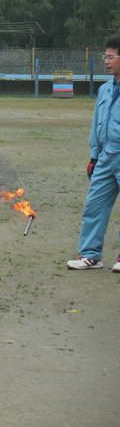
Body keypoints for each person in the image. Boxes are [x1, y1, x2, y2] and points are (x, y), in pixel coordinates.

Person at [67, 37, 120, 273]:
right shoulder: (105, 89)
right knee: (94, 206)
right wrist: (93, 156)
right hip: (105, 158)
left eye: (111, 57)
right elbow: (97, 124)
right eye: (105, 57)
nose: (106, 61)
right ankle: (90, 255)